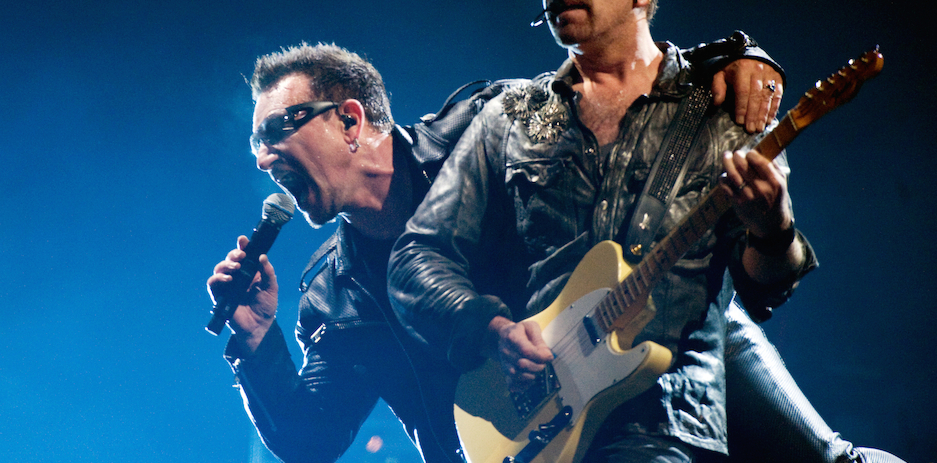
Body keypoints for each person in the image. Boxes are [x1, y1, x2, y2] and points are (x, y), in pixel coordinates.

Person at [387, 0, 904, 463]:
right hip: (540, 423)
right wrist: (489, 328)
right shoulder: (510, 116)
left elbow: (762, 290)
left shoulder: (722, 110)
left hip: (668, 419)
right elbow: (417, 256)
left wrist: (772, 226)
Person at [207, 37, 807, 463]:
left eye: (275, 131)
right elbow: (310, 440)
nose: (261, 157)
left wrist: (728, 61)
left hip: (655, 345)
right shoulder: (334, 294)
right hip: (529, 447)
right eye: (254, 144)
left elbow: (607, 104)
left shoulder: (483, 125)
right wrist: (257, 342)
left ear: (350, 119)